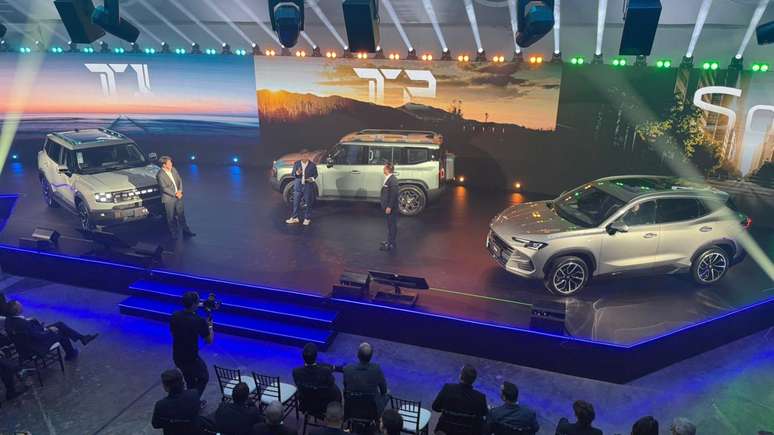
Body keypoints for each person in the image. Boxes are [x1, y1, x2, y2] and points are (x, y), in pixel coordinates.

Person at [4, 300, 98, 361]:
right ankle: (71, 354)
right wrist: (49, 330)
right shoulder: (22, 323)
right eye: (20, 305)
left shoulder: (8, 320)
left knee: (59, 324)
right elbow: (38, 336)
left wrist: (41, 327)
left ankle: (82, 338)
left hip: (28, 342)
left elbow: (29, 332)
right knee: (60, 333)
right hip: (36, 345)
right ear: (17, 310)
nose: (22, 305)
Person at [170, 291, 212, 404]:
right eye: (198, 301)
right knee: (204, 377)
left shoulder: (175, 316)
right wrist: (209, 326)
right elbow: (209, 340)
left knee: (190, 381)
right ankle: (192, 402)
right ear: (194, 304)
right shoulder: (198, 321)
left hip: (177, 355)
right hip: (191, 357)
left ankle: (189, 400)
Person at [431, 364, 488, 435]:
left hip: (444, 430)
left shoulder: (447, 388)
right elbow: (484, 414)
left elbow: (435, 407)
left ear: (460, 376)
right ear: (474, 380)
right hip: (467, 432)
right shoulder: (480, 397)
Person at [340, 342, 389, 414]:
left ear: (358, 355)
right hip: (372, 409)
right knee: (387, 393)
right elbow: (383, 391)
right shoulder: (377, 369)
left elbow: (346, 387)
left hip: (351, 405)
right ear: (371, 356)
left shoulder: (347, 369)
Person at [152, 368, 204, 435]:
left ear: (166, 388)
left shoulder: (160, 405)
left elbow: (156, 424)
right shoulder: (194, 394)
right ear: (182, 383)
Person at [157, 156, 196, 240]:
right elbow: (164, 188)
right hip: (169, 199)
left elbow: (179, 180)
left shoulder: (173, 170)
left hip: (178, 196)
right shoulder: (160, 175)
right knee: (171, 217)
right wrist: (175, 194)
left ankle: (186, 231)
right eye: (169, 163)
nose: (171, 164)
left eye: (171, 162)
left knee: (181, 214)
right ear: (164, 165)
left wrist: (180, 191)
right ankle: (174, 233)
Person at [285, 153, 318, 226]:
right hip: (298, 186)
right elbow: (293, 174)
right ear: (301, 156)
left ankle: (307, 218)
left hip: (308, 186)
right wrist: (297, 173)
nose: (304, 157)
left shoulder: (312, 165)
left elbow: (316, 175)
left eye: (306, 156)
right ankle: (295, 218)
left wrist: (312, 179)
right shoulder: (297, 164)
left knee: (308, 202)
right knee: (296, 202)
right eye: (303, 156)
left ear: (308, 156)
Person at [379, 163, 399, 251]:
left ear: (387, 169)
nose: (383, 169)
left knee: (392, 225)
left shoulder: (393, 180)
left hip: (391, 208)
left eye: (384, 168)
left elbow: (393, 195)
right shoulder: (389, 178)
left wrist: (389, 207)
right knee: (390, 225)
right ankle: (389, 241)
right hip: (387, 206)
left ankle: (391, 244)